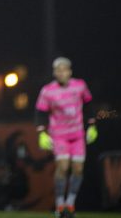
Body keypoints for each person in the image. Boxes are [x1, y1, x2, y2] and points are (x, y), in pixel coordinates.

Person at [35, 57, 98, 218]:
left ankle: (70, 205)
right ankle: (59, 205)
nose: (62, 73)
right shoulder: (47, 91)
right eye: (59, 70)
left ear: (70, 71)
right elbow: (40, 112)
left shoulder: (80, 86)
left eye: (65, 69)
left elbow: (89, 103)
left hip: (77, 134)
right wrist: (42, 132)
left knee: (78, 169)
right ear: (54, 73)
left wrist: (92, 125)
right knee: (62, 167)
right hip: (59, 136)